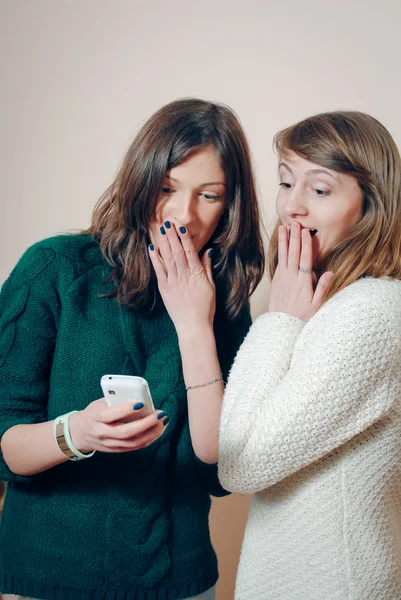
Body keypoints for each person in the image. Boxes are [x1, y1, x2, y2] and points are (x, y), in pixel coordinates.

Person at [0, 97, 265, 600]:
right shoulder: (53, 269)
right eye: (167, 188)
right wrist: (76, 431)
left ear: (230, 206)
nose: (183, 215)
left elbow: (220, 472)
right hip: (48, 576)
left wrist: (194, 326)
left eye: (209, 196)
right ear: (140, 181)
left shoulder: (225, 300)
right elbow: (2, 440)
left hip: (178, 581)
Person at [218, 111, 401, 600]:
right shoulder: (337, 304)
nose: (291, 207)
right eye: (285, 181)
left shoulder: (369, 311)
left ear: (370, 205)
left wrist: (280, 321)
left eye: (319, 190)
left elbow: (239, 463)